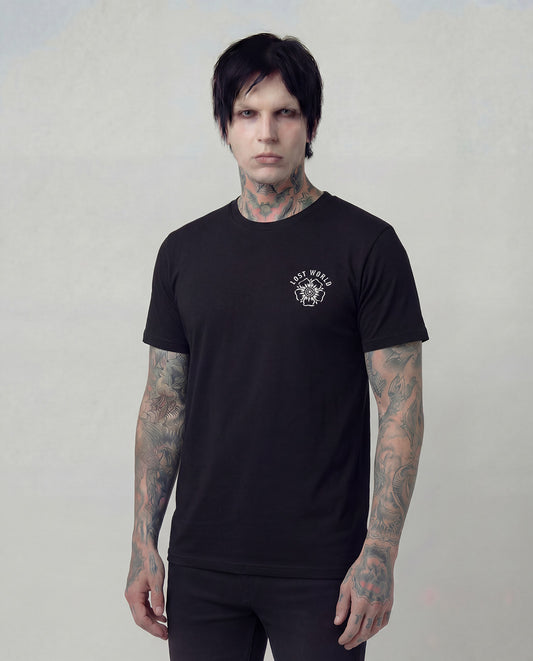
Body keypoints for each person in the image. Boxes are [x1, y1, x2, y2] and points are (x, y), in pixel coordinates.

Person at [125, 32, 428, 661]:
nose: (266, 133)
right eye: (247, 113)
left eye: (284, 112)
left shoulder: (367, 245)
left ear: (310, 123)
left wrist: (380, 551)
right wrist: (143, 541)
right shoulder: (183, 252)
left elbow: (400, 405)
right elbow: (163, 404)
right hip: (203, 562)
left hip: (324, 568)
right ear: (225, 127)